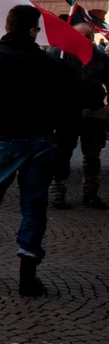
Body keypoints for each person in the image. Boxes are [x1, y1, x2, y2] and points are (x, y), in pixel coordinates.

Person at [0, 5, 80, 296]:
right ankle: (27, 275)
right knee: (34, 207)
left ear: (7, 27)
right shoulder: (52, 65)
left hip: (3, 139)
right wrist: (64, 154)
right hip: (43, 140)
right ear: (33, 31)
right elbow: (71, 112)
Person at [49, 23, 109, 210]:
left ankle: (91, 192)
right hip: (68, 111)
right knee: (63, 153)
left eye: (88, 36)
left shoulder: (101, 57)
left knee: (92, 155)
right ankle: (58, 191)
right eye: (80, 35)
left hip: (95, 110)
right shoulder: (60, 54)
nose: (84, 40)